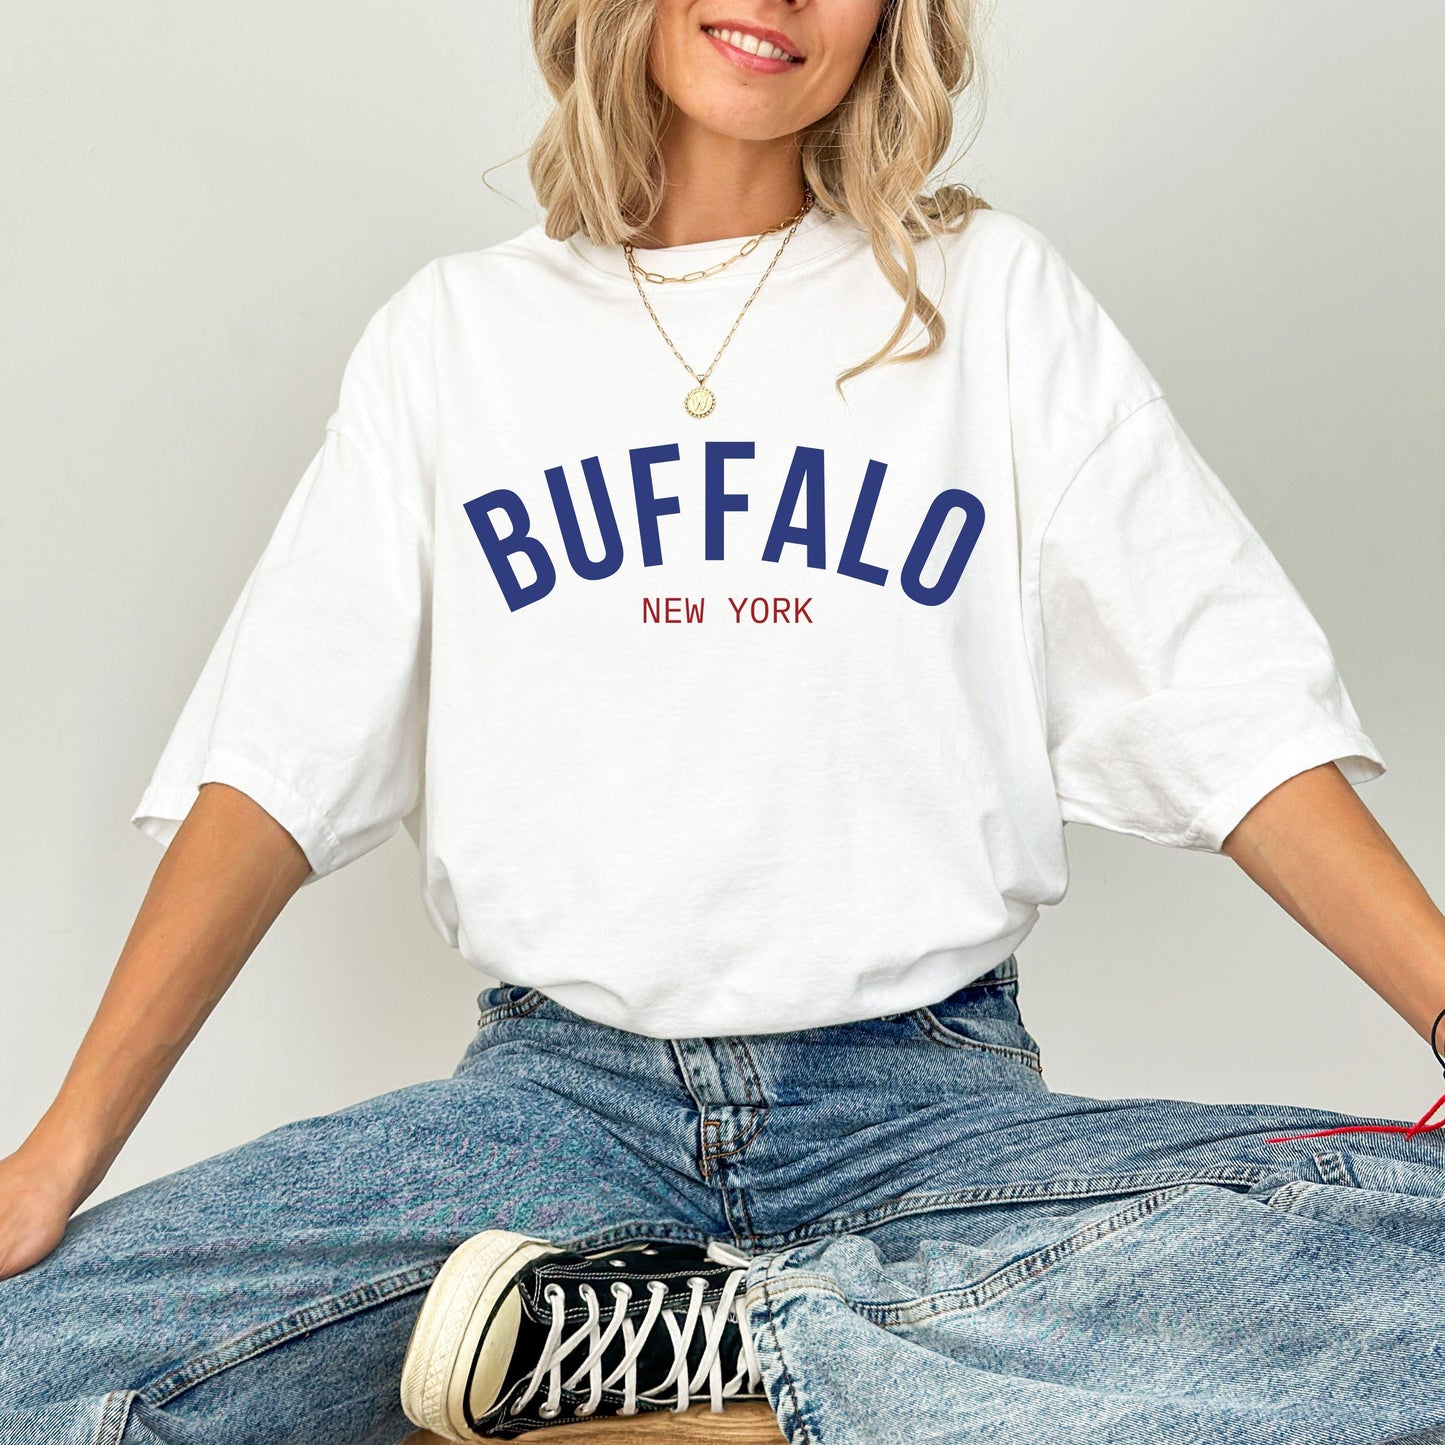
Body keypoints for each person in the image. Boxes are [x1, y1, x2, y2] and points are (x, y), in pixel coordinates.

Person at [3, 0, 1444, 1440]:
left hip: (930, 1110)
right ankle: (862, 1344)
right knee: (33, 1350)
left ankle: (741, 1349)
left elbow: (1224, 706)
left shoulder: (989, 296)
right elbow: (272, 769)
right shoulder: (455, 337)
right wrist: (57, 1153)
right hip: (550, 1114)